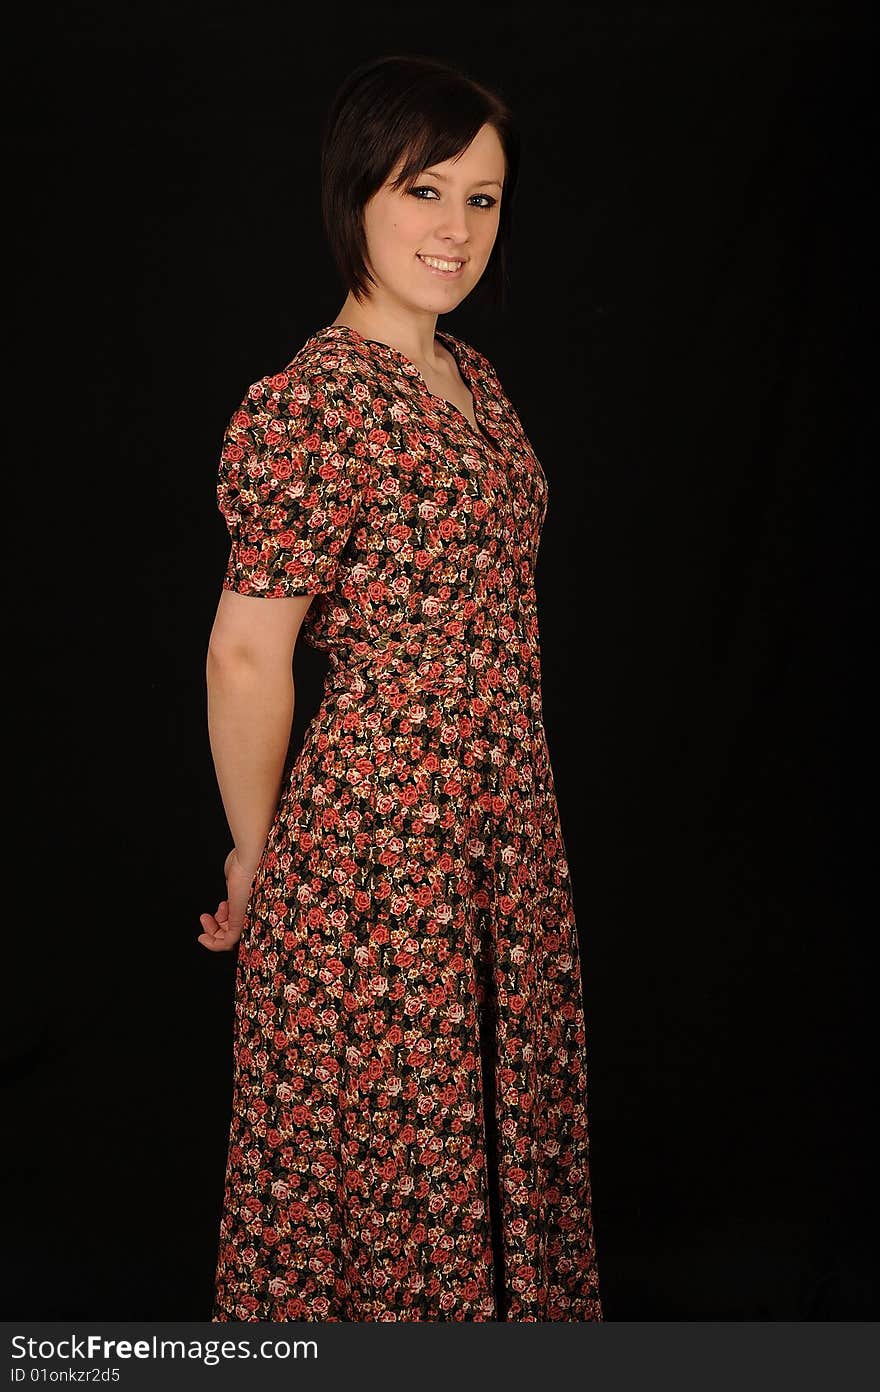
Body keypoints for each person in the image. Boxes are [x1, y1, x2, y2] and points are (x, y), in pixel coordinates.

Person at [200, 52, 603, 1322]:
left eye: (481, 199)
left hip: (500, 823)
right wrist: (257, 855)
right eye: (423, 191)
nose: (454, 229)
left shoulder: (470, 381)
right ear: (354, 195)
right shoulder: (314, 404)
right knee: (391, 1156)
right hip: (382, 835)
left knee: (489, 1121)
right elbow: (248, 651)